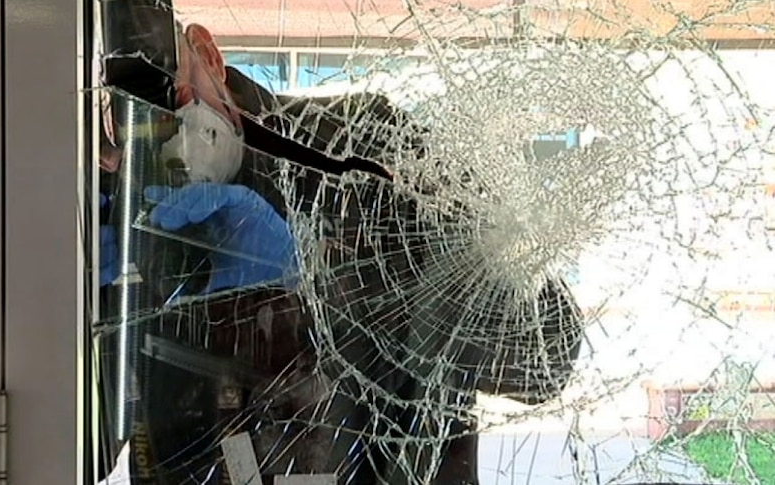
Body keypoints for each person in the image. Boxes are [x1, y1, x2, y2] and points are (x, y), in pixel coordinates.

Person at [98, 20, 584, 485]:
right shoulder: (106, 199)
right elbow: (82, 436)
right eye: (136, 119)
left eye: (177, 95)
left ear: (208, 55)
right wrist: (74, 302)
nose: (173, 136)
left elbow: (547, 356)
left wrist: (315, 292)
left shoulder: (364, 143)